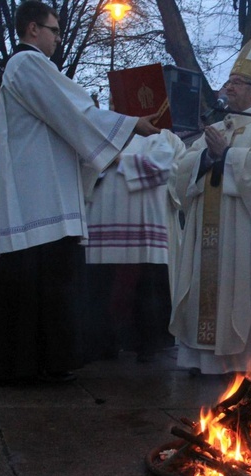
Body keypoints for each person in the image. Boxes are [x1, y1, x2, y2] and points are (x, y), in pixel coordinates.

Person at [0, 0, 159, 384]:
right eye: (54, 29)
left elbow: (70, 117)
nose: (58, 38)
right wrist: (130, 124)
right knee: (42, 280)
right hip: (36, 196)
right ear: (32, 30)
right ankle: (30, 366)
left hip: (40, 190)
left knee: (45, 281)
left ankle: (36, 362)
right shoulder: (27, 64)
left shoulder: (31, 68)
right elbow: (76, 113)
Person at [169, 38, 251, 375]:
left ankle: (241, 362)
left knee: (240, 292)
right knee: (206, 287)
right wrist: (209, 155)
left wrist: (227, 154)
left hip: (242, 232)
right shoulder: (217, 126)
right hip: (208, 232)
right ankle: (202, 361)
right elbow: (183, 167)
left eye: (237, 83)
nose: (228, 88)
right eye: (228, 81)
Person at [83, 130, 185, 363]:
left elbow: (162, 167)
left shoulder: (158, 138)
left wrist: (118, 160)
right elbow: (83, 166)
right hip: (103, 220)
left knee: (142, 284)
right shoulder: (100, 134)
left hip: (143, 225)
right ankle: (102, 343)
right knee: (104, 286)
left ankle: (145, 343)